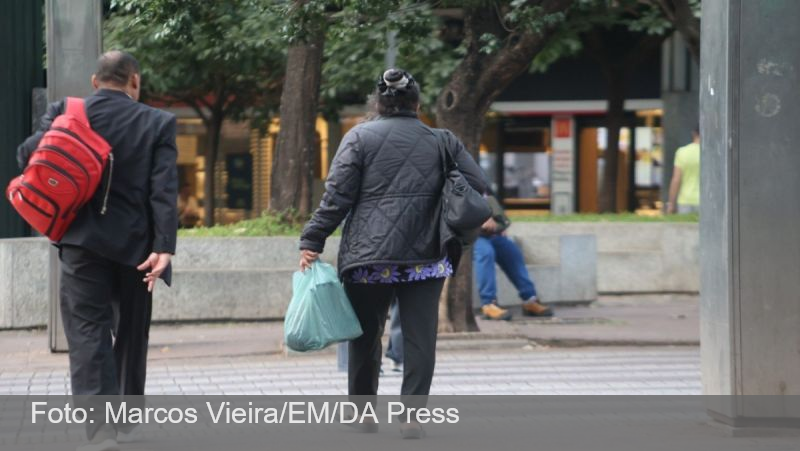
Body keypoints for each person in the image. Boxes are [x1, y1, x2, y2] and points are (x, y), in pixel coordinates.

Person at [299, 68, 485, 439]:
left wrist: (312, 239)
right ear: (416, 104)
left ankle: (364, 414)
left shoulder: (358, 138)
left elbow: (337, 197)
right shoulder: (442, 140)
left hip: (369, 257)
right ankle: (411, 416)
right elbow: (477, 185)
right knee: (419, 336)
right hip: (426, 256)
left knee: (365, 336)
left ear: (378, 104)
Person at [17, 51, 178, 451]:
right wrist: (164, 248)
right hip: (137, 248)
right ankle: (125, 422)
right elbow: (164, 192)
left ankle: (100, 429)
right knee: (131, 332)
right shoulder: (158, 122)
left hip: (80, 243)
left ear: (94, 82)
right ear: (135, 81)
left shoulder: (66, 111)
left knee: (87, 331)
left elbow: (28, 157)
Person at [474, 196, 553, 321]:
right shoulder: (454, 180)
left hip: (490, 233)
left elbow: (491, 202)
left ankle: (529, 299)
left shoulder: (481, 183)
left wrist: (498, 223)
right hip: (469, 235)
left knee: (512, 251)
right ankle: (488, 304)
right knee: (485, 253)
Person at [667, 128, 700, 214]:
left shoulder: (682, 152)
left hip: (685, 200)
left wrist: (671, 204)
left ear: (694, 133)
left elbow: (676, 179)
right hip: (706, 200)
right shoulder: (710, 152)